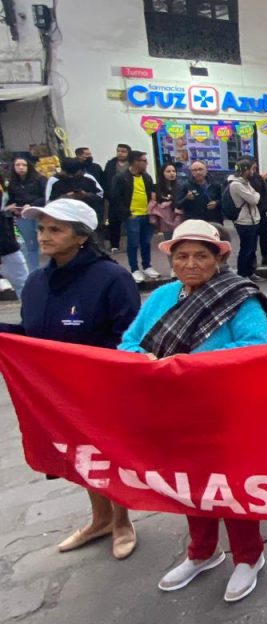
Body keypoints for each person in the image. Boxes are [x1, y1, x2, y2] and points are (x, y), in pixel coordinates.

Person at [120, 219, 267, 600]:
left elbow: (254, 346)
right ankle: (201, 552)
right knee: (189, 484)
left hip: (224, 409)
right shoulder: (160, 297)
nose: (191, 264)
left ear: (218, 258)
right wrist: (147, 358)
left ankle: (248, 557)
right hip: (171, 409)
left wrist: (187, 364)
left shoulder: (240, 297)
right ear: (171, 259)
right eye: (182, 256)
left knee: (233, 485)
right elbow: (128, 342)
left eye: (200, 256)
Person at [0, 198, 140, 558]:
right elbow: (32, 334)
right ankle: (100, 518)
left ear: (81, 237)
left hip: (100, 388)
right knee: (77, 454)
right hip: (55, 391)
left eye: (55, 229)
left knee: (107, 453)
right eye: (42, 228)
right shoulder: (35, 282)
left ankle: (122, 520)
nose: (44, 236)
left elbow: (129, 337)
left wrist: (97, 371)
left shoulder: (112, 278)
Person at [109, 150, 159, 283]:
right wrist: (127, 214)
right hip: (132, 216)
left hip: (146, 214)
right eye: (144, 161)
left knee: (146, 242)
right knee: (133, 243)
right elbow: (115, 198)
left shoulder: (147, 177)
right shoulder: (121, 177)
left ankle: (147, 266)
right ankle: (134, 268)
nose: (146, 163)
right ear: (135, 162)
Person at [5, 155, 47, 270]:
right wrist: (11, 207)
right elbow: (12, 199)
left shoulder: (40, 179)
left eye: (24, 165)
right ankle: (34, 271)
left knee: (45, 242)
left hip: (39, 214)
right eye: (17, 165)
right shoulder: (12, 184)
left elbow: (45, 197)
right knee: (30, 245)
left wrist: (32, 205)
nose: (21, 167)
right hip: (22, 216)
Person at [226, 159, 262, 282]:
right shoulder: (236, 184)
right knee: (246, 249)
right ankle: (243, 274)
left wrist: (254, 194)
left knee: (252, 249)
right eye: (252, 169)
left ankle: (250, 272)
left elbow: (254, 195)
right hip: (244, 221)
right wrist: (255, 195)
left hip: (252, 219)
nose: (254, 171)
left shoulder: (245, 182)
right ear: (245, 170)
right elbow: (254, 199)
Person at [0, 174, 30, 298]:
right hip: (6, 245)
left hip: (7, 241)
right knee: (23, 282)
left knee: (23, 283)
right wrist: (5, 210)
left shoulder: (3, 187)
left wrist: (7, 211)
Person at [103, 143, 131, 252]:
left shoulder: (132, 164)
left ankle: (132, 244)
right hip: (114, 197)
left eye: (123, 151)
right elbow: (106, 180)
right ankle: (114, 244)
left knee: (130, 221)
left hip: (128, 197)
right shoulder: (111, 164)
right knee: (114, 222)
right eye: (118, 151)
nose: (120, 153)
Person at [152, 162, 183, 241]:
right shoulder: (156, 187)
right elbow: (154, 203)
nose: (172, 173)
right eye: (168, 171)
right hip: (165, 219)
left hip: (178, 217)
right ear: (162, 173)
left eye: (173, 171)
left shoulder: (181, 186)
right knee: (169, 240)